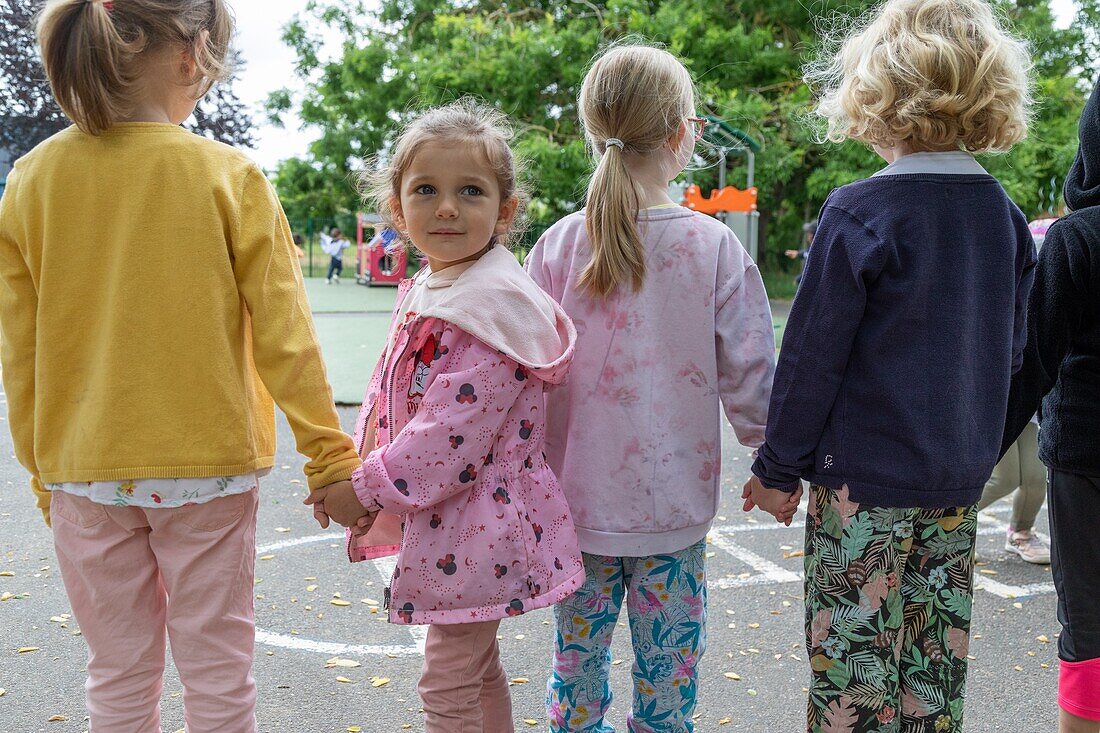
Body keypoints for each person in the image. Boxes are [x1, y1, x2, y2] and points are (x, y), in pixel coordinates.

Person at [0, 2, 361, 731]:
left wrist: (44, 471)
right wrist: (329, 458)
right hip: (209, 468)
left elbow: (22, 350)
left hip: (85, 469)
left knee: (120, 675)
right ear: (193, 57)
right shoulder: (229, 175)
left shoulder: (31, 182)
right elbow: (285, 336)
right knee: (219, 673)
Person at [742, 1, 1034, 730]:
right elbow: (1018, 351)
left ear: (878, 93)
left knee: (851, 678)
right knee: (932, 680)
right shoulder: (1003, 216)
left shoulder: (861, 211)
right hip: (955, 488)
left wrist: (778, 468)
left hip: (861, 492)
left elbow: (811, 359)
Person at [304, 99, 584, 733]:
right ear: (397, 210)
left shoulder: (491, 308)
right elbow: (386, 396)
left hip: (478, 521)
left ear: (504, 210)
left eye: (471, 191)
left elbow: (448, 436)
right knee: (474, 667)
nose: (448, 207)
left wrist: (364, 488)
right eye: (426, 189)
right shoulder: (438, 284)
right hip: (454, 518)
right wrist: (352, 471)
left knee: (448, 678)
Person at [526, 44, 777, 732]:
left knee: (575, 668)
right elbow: (750, 370)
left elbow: (523, 376)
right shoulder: (713, 246)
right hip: (672, 511)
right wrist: (771, 459)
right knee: (669, 678)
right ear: (682, 134)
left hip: (576, 505)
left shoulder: (555, 247)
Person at [1000, 75, 1100, 733]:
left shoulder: (1075, 238)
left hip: (1085, 460)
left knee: (1088, 626)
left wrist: (973, 451)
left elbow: (1030, 363)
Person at [977, 418, 1050, 564]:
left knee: (1035, 480)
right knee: (1004, 480)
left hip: (1028, 411)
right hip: (997, 409)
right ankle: (947, 524)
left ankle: (1021, 533)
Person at [784, 218, 817, 286]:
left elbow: (810, 271)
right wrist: (797, 254)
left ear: (812, 235)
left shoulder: (816, 251)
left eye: (809, 233)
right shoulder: (816, 248)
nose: (807, 235)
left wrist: (799, 279)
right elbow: (807, 253)